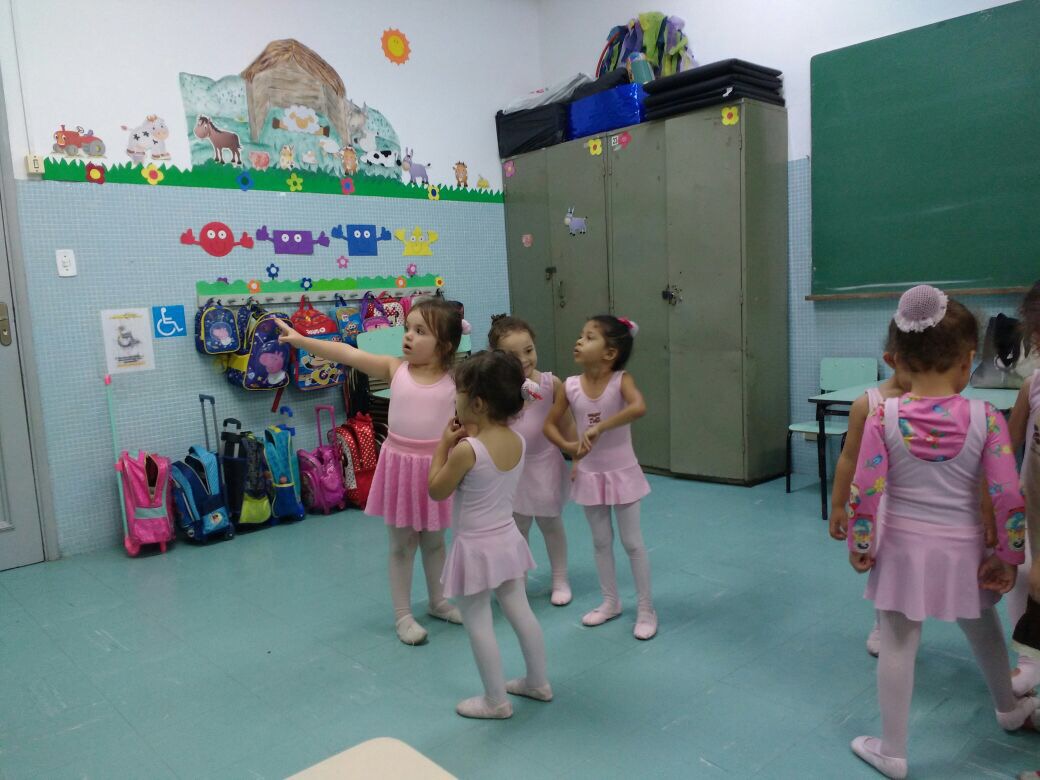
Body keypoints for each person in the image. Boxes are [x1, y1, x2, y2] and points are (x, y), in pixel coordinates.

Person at [846, 285, 1033, 779]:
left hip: (901, 551)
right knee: (985, 628)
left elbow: (866, 489)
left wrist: (861, 543)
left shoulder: (882, 416)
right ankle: (1009, 708)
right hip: (967, 551)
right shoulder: (987, 419)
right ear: (969, 360)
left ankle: (893, 751)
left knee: (898, 642)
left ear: (899, 360)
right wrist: (1009, 556)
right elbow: (1008, 497)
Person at [277, 299, 464, 645]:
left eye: (420, 331)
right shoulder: (396, 369)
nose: (408, 336)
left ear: (445, 345)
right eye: (407, 328)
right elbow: (346, 354)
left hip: (436, 467)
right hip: (400, 468)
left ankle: (438, 601)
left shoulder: (456, 381)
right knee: (402, 545)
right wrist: (301, 340)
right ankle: (403, 615)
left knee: (435, 541)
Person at [429, 351, 551, 719]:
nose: (454, 401)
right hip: (508, 539)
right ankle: (538, 681)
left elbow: (436, 490)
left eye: (459, 395)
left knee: (478, 621)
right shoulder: (517, 440)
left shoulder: (467, 451)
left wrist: (443, 445)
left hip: (475, 548)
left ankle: (495, 701)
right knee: (520, 611)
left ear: (478, 404)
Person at [544, 315, 657, 640]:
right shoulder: (570, 386)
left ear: (609, 353)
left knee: (632, 542)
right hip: (590, 474)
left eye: (589, 337)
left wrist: (601, 427)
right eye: (581, 335)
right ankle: (610, 602)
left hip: (623, 473)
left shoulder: (621, 381)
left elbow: (638, 407)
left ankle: (646, 609)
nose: (579, 341)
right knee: (600, 541)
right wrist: (570, 448)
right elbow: (549, 425)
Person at [488, 315, 573, 605]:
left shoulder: (551, 384)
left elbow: (567, 426)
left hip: (544, 464)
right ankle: (518, 580)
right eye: (514, 355)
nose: (524, 360)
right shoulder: (497, 391)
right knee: (517, 528)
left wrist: (579, 457)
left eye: (529, 350)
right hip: (513, 470)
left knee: (551, 523)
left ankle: (560, 578)